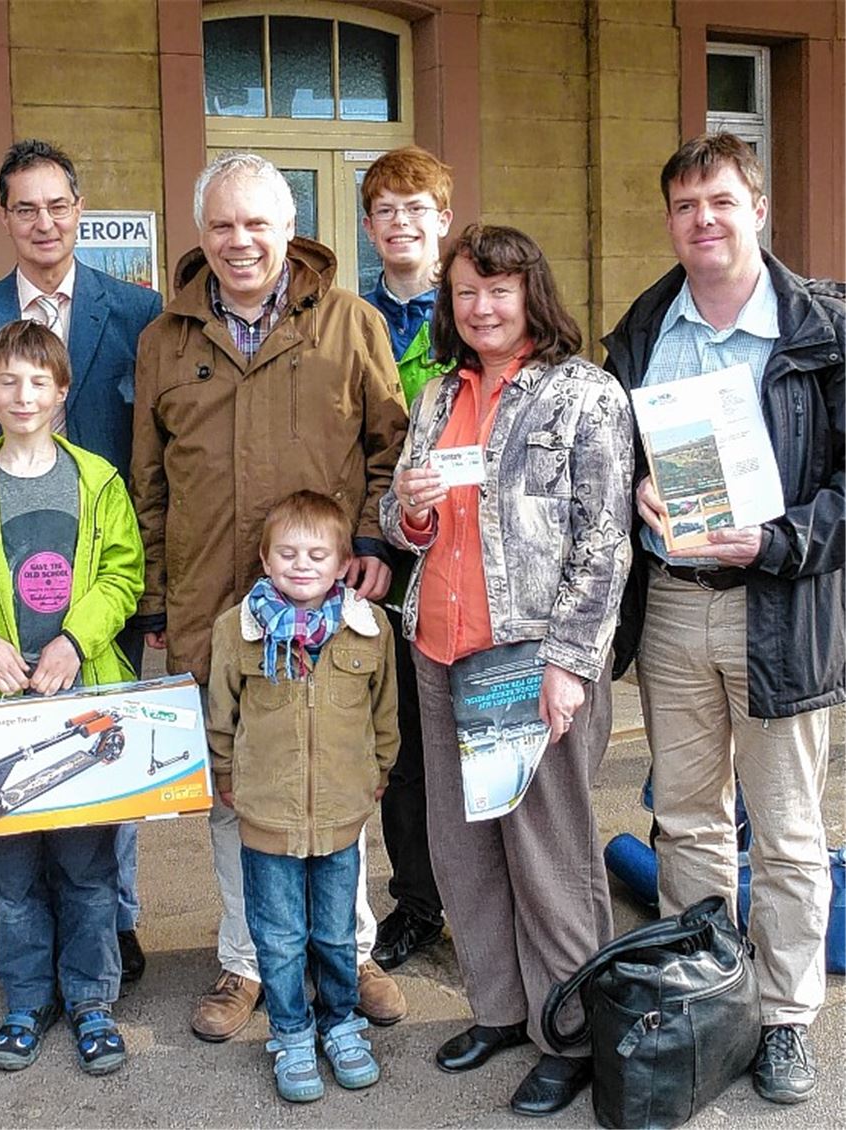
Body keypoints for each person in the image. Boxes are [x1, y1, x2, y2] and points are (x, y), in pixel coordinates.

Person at [131, 151, 409, 1041]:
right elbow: (150, 482)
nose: (239, 241)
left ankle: (346, 954)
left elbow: (389, 451)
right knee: (232, 789)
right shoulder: (165, 338)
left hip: (326, 607)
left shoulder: (350, 323)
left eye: (257, 223)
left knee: (333, 778)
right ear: (201, 234)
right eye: (222, 225)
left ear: (289, 229)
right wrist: (159, 603)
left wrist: (369, 543)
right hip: (216, 610)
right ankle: (247, 963)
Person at [604, 133, 844, 1105]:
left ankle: (785, 1016)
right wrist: (637, 487)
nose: (703, 218)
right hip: (673, 606)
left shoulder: (824, 328)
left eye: (721, 200)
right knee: (688, 817)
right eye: (686, 204)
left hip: (780, 607)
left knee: (786, 829)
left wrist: (779, 540)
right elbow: (610, 450)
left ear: (757, 208)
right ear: (670, 220)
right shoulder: (646, 324)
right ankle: (712, 992)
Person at [381, 223, 633, 1117]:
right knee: (463, 843)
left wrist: (570, 662)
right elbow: (411, 520)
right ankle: (500, 1008)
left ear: (531, 293)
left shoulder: (583, 394)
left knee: (550, 857)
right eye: (464, 294)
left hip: (532, 658)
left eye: (498, 290)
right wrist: (405, 513)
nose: (481, 308)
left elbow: (606, 541)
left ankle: (568, 1036)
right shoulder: (440, 393)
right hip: (441, 649)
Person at [0, 139, 161, 979]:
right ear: (4, 218)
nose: (43, 221)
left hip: (99, 578)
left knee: (99, 749)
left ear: (79, 210)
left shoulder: (138, 312)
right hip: (4, 587)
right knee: (21, 774)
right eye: (25, 207)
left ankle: (112, 924)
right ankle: (40, 955)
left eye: (57, 204)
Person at [0, 320, 145, 1075]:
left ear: (61, 392)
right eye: (8, 382)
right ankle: (25, 999)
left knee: (88, 870)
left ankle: (91, 1001)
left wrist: (74, 640)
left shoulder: (96, 479)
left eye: (38, 382)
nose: (23, 395)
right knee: (12, 874)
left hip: (78, 701)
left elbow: (123, 576)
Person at [206, 491, 399, 1102]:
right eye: (287, 553)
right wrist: (226, 776)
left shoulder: (369, 630)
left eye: (318, 554)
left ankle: (342, 1022)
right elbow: (221, 716)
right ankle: (291, 1032)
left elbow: (384, 713)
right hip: (266, 815)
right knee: (280, 936)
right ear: (265, 561)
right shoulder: (236, 631)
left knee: (337, 933)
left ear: (343, 564)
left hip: (341, 815)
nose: (301, 565)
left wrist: (379, 770)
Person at [359, 145, 454, 971]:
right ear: (368, 226)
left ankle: (491, 894)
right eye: (385, 210)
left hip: (470, 555)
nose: (400, 223)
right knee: (404, 746)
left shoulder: (478, 312)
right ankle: (417, 901)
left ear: (443, 221)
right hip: (382, 557)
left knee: (479, 731)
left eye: (414, 208)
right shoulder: (347, 318)